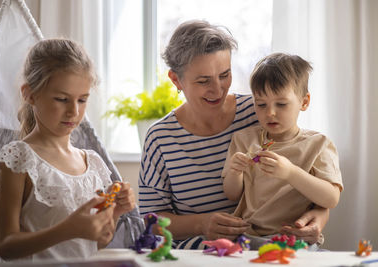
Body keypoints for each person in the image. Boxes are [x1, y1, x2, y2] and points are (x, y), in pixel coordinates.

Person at [138, 20, 330, 249]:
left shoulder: (260, 110)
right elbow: (149, 221)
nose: (218, 89)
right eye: (203, 81)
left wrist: (319, 216)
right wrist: (200, 224)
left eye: (224, 74)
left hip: (267, 247)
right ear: (176, 79)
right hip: (199, 252)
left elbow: (305, 172)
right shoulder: (160, 137)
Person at [0, 39, 136, 260]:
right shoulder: (19, 158)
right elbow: (6, 247)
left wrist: (116, 212)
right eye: (62, 99)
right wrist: (68, 229)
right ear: (30, 94)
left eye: (82, 100)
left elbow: (99, 242)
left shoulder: (92, 163)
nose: (74, 111)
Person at [222, 53, 343, 249]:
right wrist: (235, 171)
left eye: (281, 104)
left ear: (304, 102)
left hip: (296, 240)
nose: (270, 112)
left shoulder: (318, 144)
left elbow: (331, 198)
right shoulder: (244, 139)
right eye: (261, 104)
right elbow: (232, 194)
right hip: (248, 239)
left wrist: (291, 172)